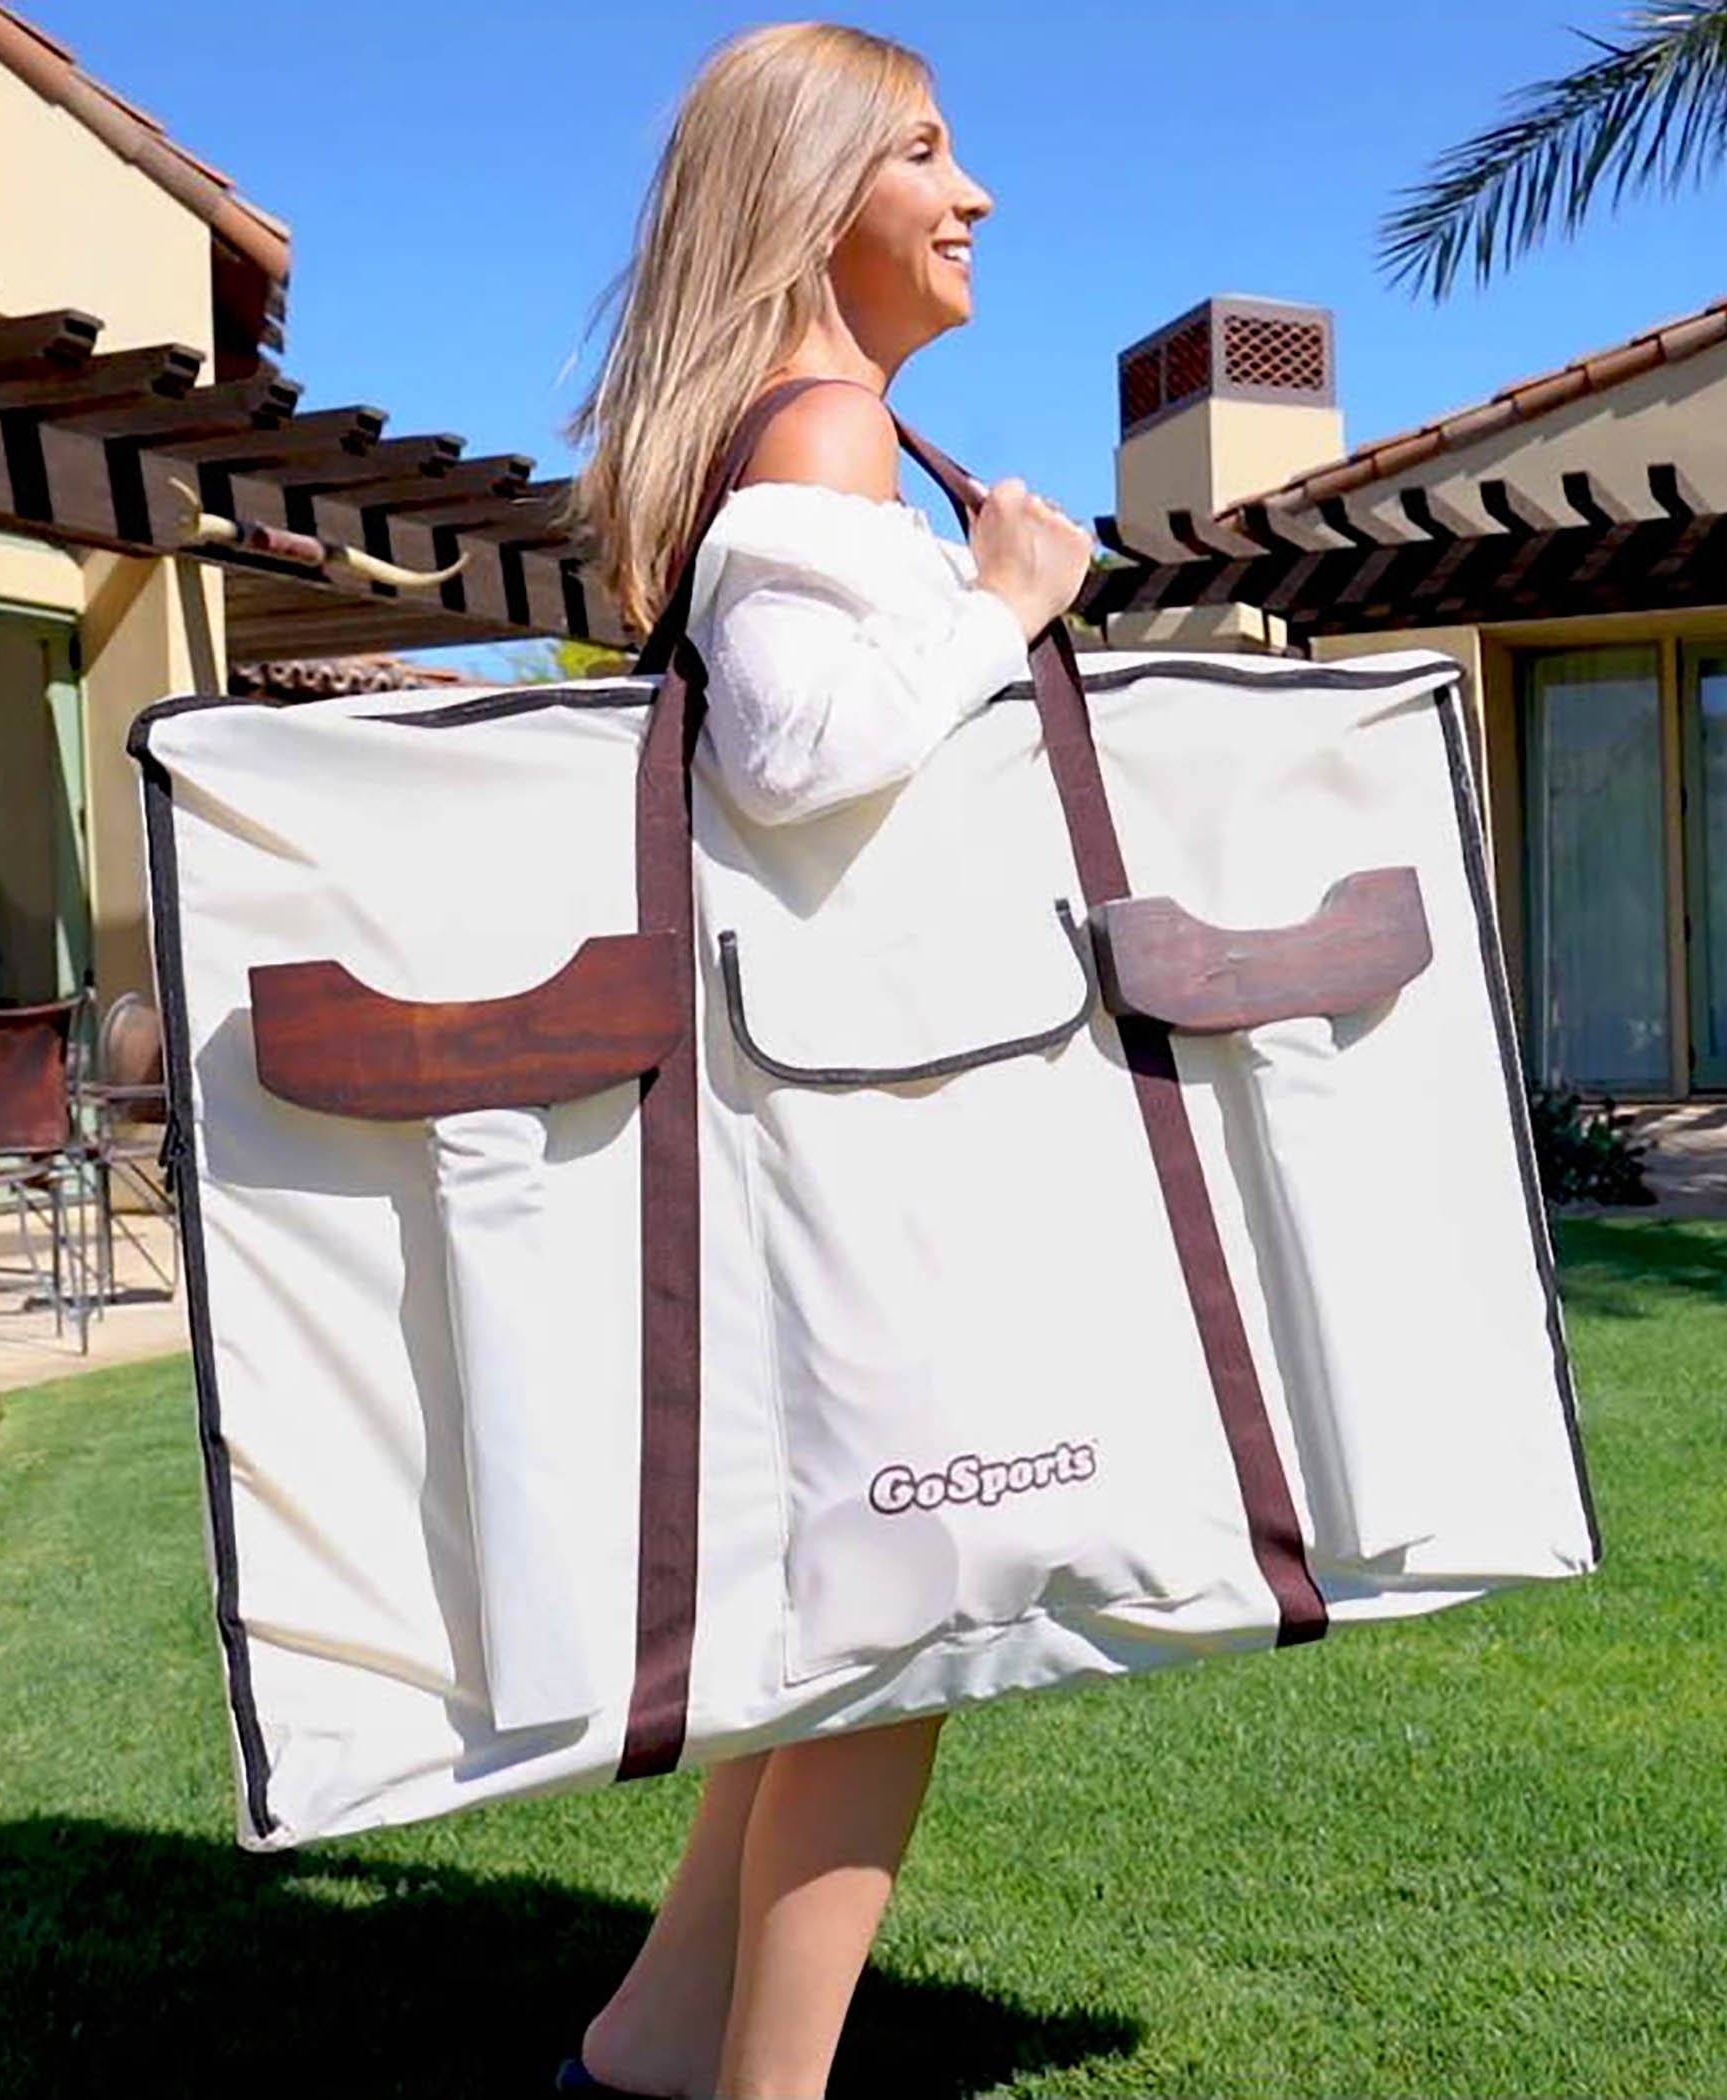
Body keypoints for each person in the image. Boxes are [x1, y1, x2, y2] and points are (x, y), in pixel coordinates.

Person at [558, 23, 1093, 2099]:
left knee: (858, 1623)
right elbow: (792, 756)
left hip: (821, 1108)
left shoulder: (800, 427)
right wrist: (1006, 603)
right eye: (929, 157)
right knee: (902, 1632)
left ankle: (649, 2054)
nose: (977, 198)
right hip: (865, 1132)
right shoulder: (825, 433)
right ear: (810, 200)